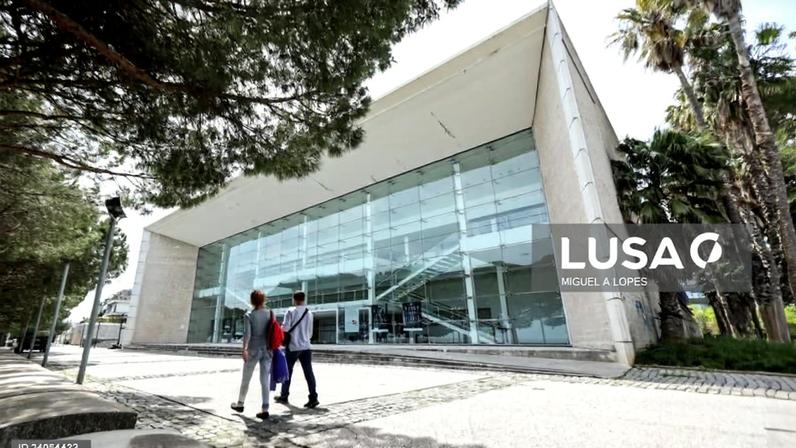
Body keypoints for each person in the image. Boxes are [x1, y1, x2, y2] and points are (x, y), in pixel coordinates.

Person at [231, 289, 272, 419]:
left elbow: (247, 334)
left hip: (253, 349)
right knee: (264, 379)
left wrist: (244, 349)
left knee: (246, 378)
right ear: (264, 299)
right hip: (267, 349)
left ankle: (240, 404)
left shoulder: (249, 315)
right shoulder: (270, 313)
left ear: (252, 301)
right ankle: (265, 408)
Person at [275, 291, 318, 408]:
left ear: (294, 299)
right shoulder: (309, 313)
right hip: (306, 347)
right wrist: (304, 338)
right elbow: (310, 333)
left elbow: (285, 328)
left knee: (288, 371)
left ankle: (284, 395)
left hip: (293, 346)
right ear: (304, 299)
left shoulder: (290, 311)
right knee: (309, 372)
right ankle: (313, 397)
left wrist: (280, 328)